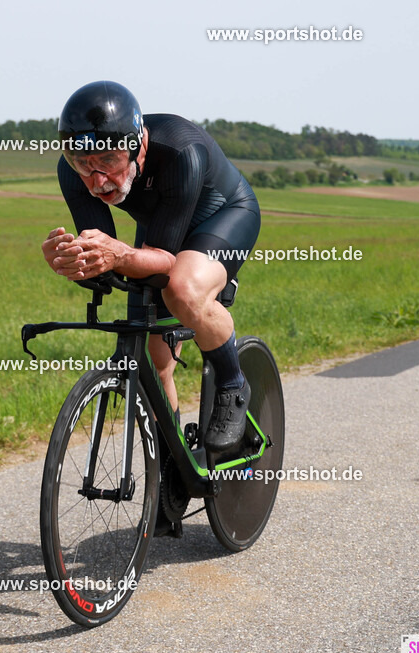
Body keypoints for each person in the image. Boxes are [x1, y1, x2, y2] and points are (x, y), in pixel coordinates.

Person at [42, 80, 261, 457]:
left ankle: (232, 383)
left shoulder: (179, 149)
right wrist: (74, 262)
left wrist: (121, 256)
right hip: (162, 223)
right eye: (84, 165)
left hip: (223, 215)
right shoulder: (72, 171)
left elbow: (160, 260)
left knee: (182, 289)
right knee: (153, 363)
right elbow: (105, 260)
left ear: (139, 144)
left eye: (109, 160)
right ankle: (170, 477)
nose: (98, 181)